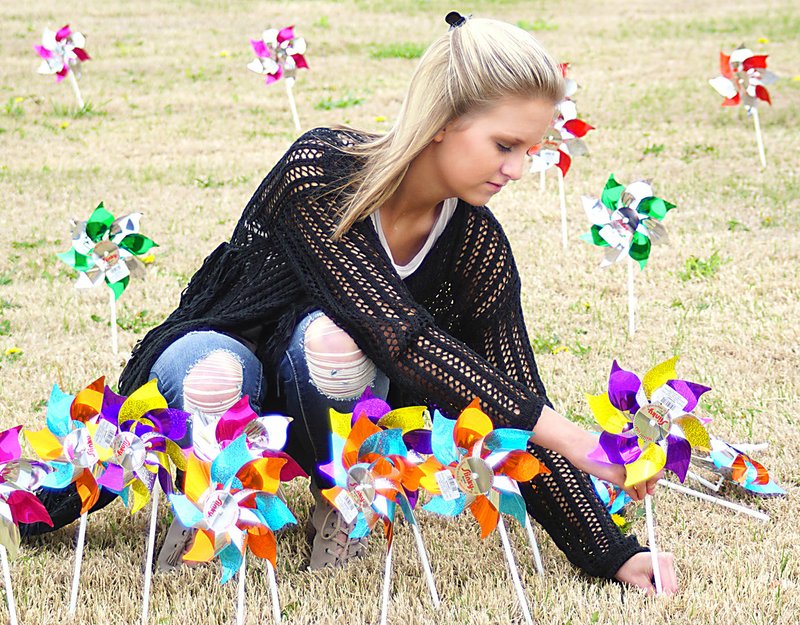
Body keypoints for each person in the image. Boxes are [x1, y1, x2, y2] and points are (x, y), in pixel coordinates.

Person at [28, 13, 677, 595]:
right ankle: (209, 504)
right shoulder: (320, 173)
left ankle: (343, 497)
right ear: (444, 120)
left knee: (335, 345)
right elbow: (399, 336)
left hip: (337, 403)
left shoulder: (477, 245)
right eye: (505, 144)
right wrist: (592, 447)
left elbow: (513, 394)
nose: (516, 168)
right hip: (231, 354)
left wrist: (614, 551)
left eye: (529, 150)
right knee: (249, 361)